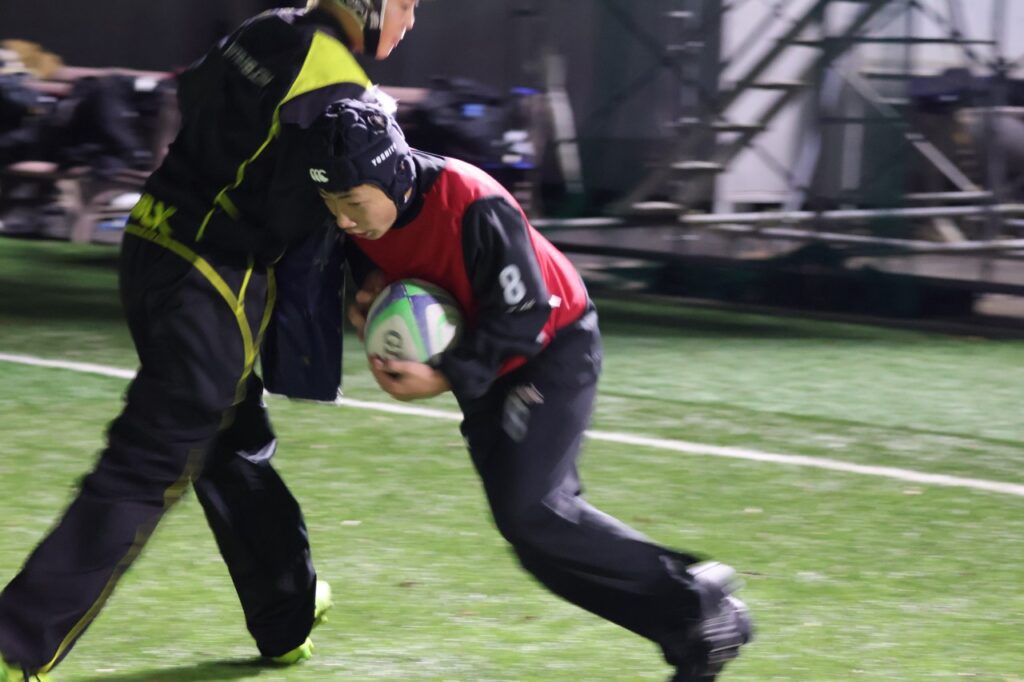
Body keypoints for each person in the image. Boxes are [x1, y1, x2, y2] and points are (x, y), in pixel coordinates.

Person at [0, 2, 419, 679]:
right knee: (148, 464)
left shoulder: (265, 29)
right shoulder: (337, 81)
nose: (411, 19)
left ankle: (287, 613)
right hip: (212, 280)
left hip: (151, 240)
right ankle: (16, 643)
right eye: (407, 3)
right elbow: (354, 202)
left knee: (231, 438)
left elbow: (193, 93)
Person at [298, 98, 754, 681]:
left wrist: (443, 376)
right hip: (490, 364)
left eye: (352, 203)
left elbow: (528, 312)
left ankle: (696, 593)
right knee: (535, 544)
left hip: (551, 349)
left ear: (392, 176)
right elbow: (383, 267)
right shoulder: (364, 217)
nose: (342, 219)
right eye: (331, 203)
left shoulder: (471, 201)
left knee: (533, 512)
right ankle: (695, 635)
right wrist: (371, 299)